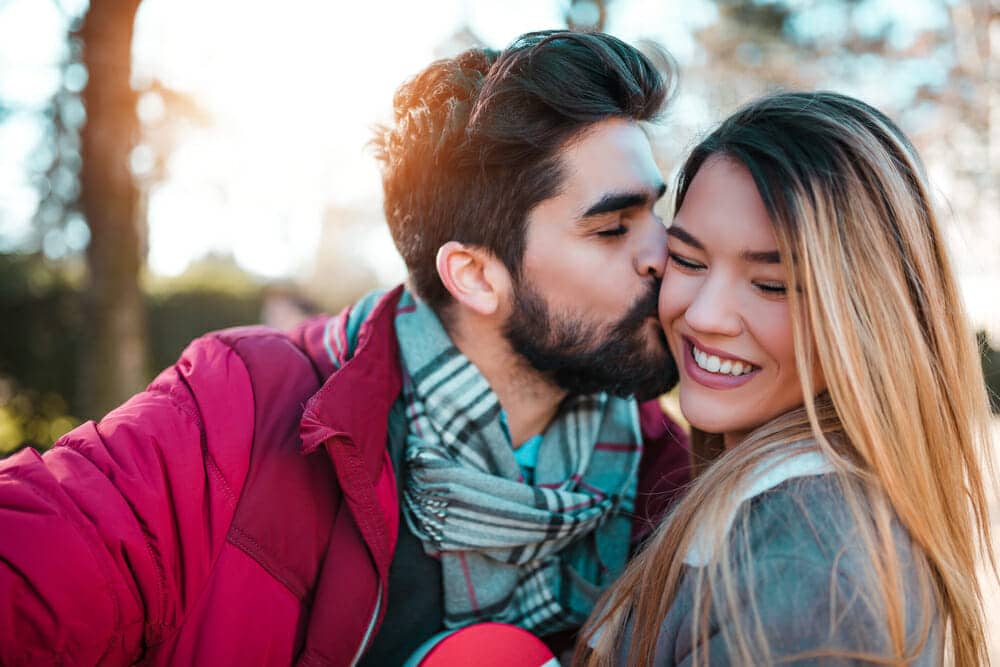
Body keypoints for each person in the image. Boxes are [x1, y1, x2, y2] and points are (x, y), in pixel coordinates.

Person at [0, 30, 691, 666]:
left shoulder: (676, 481)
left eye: (655, 213)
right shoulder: (236, 411)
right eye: (613, 228)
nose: (666, 253)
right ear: (476, 276)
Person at [580, 91, 995, 665]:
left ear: (870, 314)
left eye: (772, 284)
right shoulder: (752, 507)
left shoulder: (814, 573)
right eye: (690, 261)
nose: (703, 315)